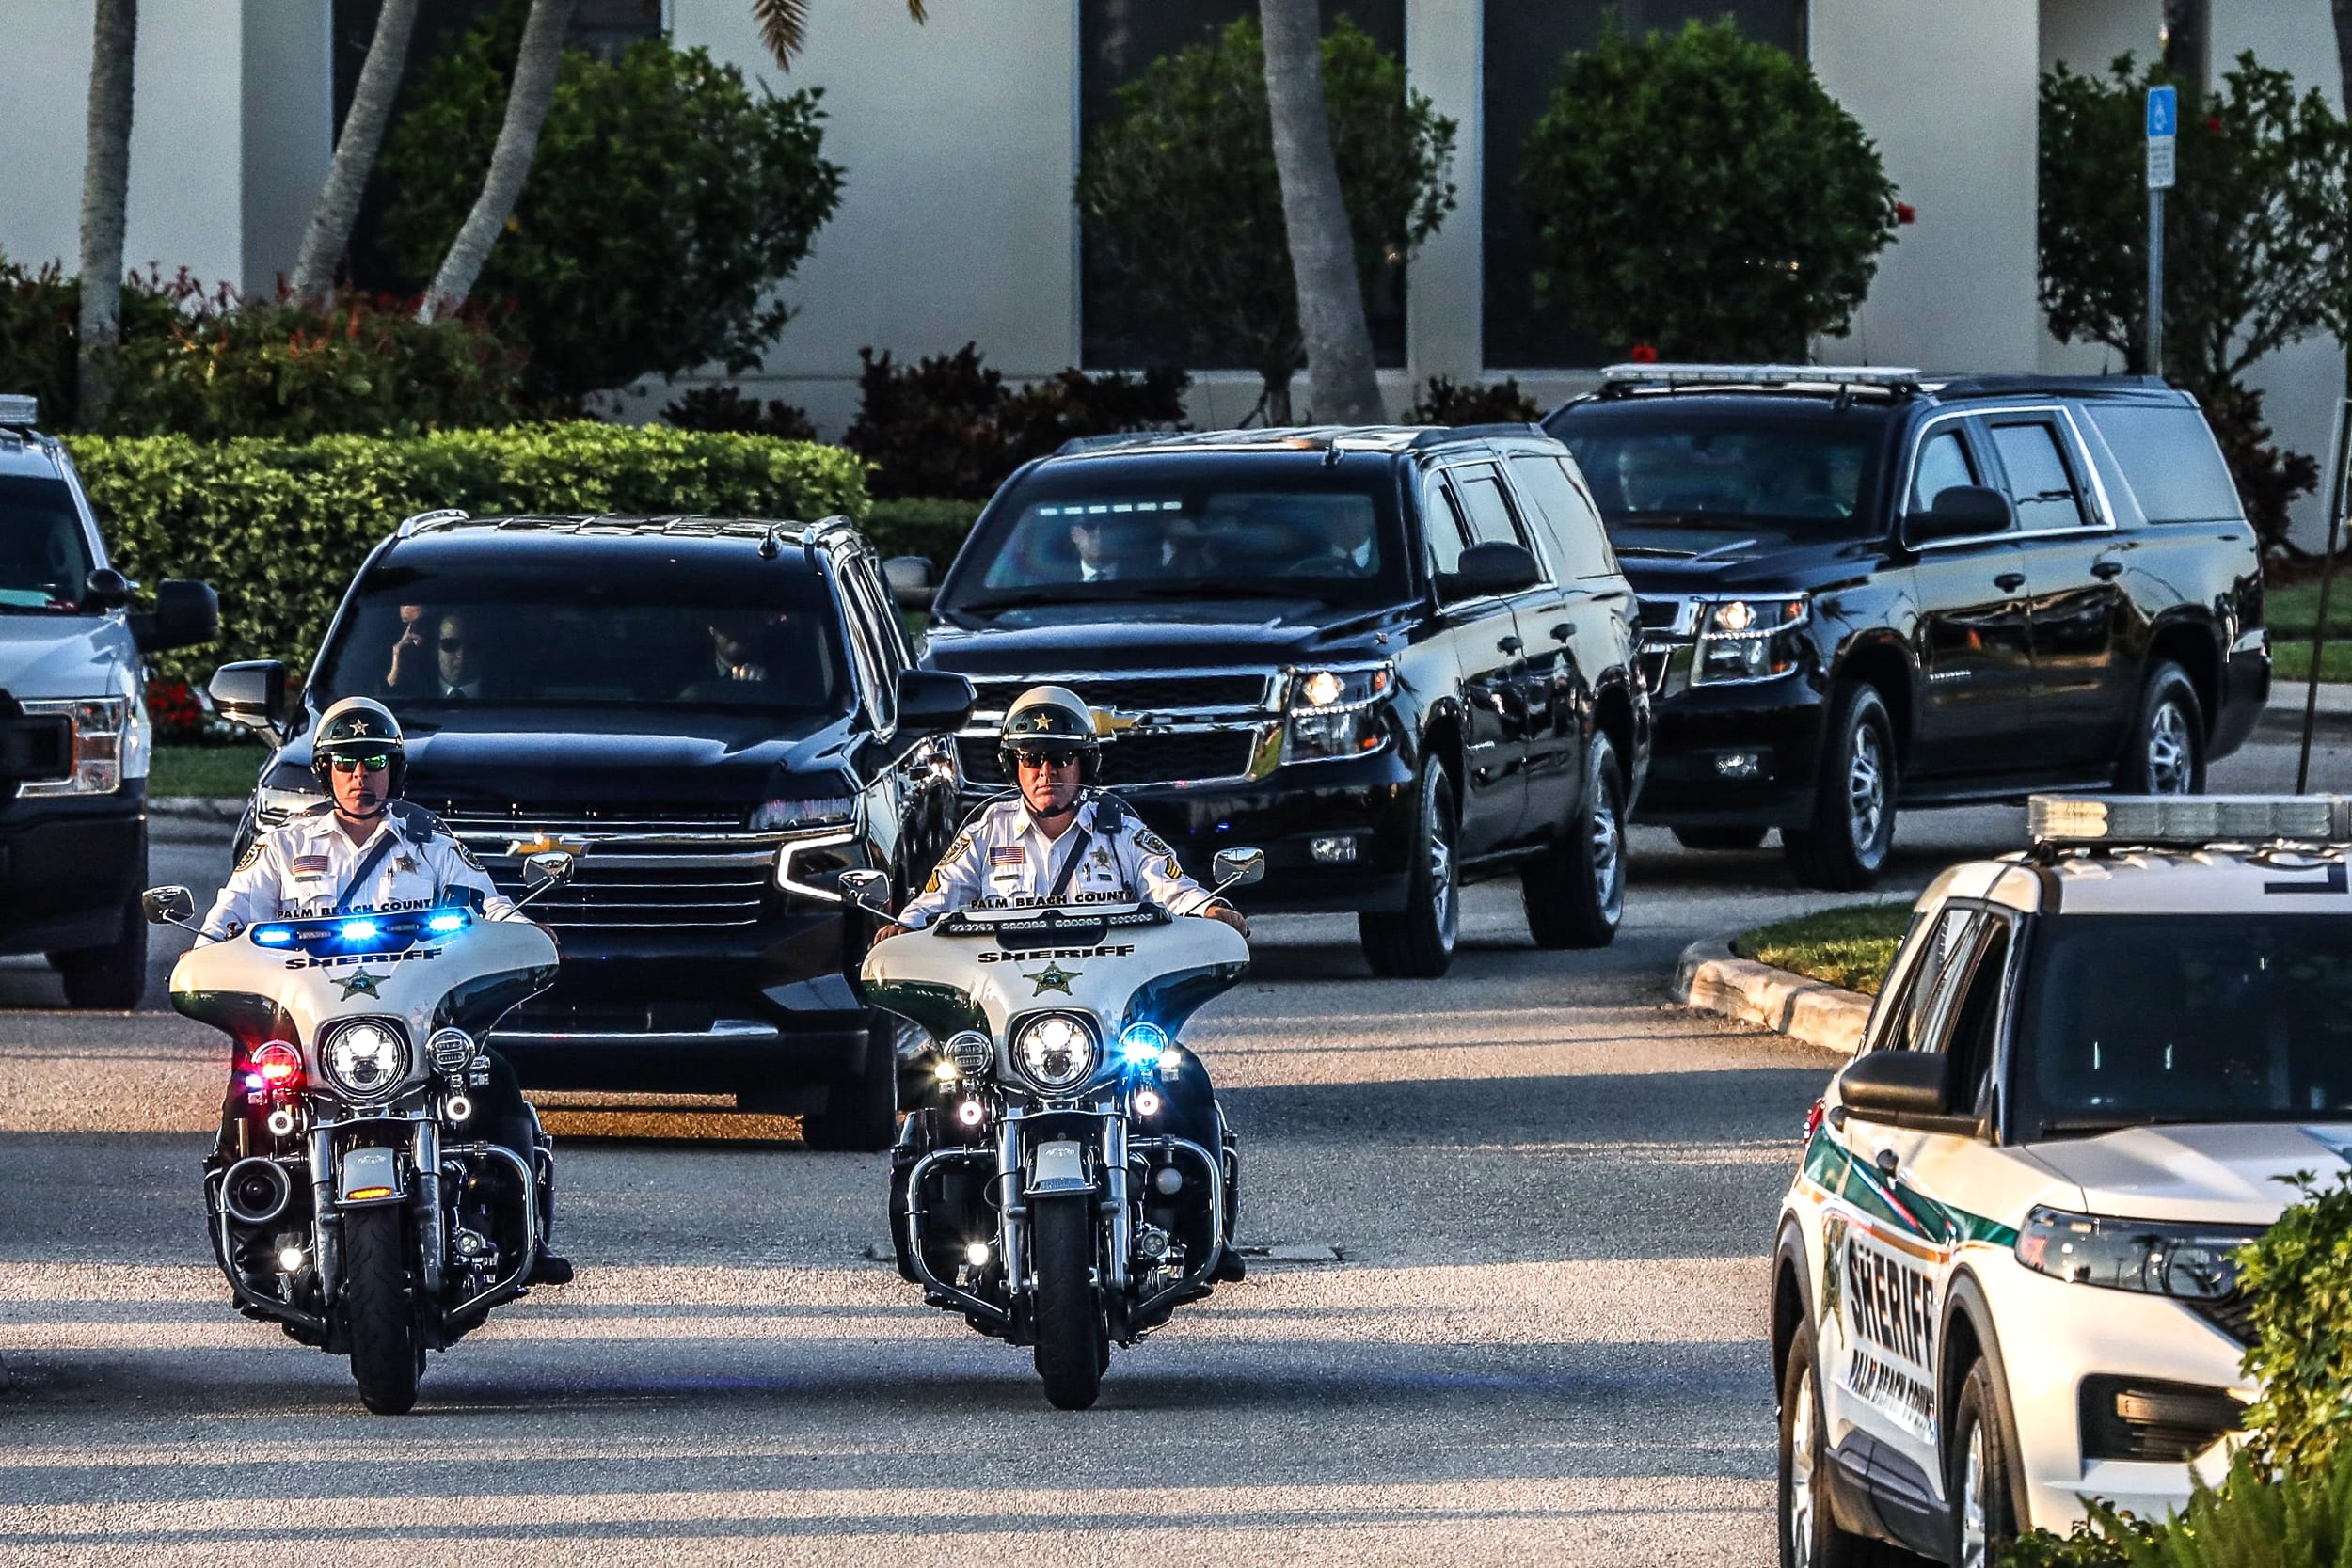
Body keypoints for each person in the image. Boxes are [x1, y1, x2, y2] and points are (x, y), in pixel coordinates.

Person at [875, 684, 1248, 1282]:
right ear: (1013, 766)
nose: (1047, 771)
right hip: (1010, 1025)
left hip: (1103, 1023)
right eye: (1032, 758)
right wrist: (899, 927)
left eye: (1061, 758)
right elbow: (936, 896)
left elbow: (1168, 880)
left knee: (1184, 1080)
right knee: (941, 1097)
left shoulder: (1117, 825)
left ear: (1085, 763)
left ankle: (1207, 1228)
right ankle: (944, 1239)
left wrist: (1208, 910)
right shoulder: (986, 829)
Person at [199, 696, 571, 1284]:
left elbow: (487, 900)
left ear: (394, 769)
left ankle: (518, 1235)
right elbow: (226, 917)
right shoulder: (285, 845)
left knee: (493, 1078)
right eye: (345, 762)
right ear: (325, 771)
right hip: (309, 1023)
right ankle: (249, 1230)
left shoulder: (429, 840)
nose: (359, 775)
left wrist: (521, 929)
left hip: (416, 1022)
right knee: (247, 1091)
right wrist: (206, 949)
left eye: (374, 761)